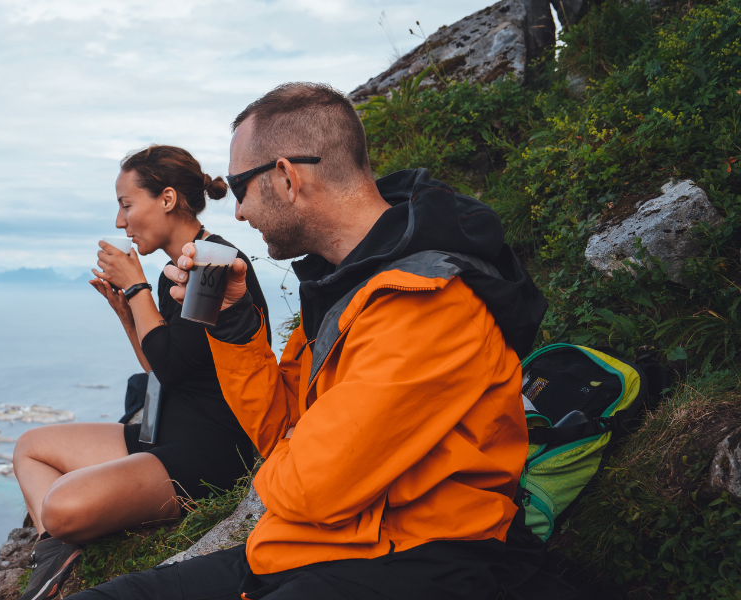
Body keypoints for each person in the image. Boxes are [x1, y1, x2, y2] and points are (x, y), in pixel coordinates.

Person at [69, 84, 549, 600]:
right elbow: (280, 431)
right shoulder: (344, 286)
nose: (236, 213)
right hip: (313, 547)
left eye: (239, 188)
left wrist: (290, 453)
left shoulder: (424, 304)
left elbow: (310, 488)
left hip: (410, 558)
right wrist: (236, 328)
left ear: (286, 177)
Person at [12, 144, 272, 600]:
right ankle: (52, 555)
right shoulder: (178, 266)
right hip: (164, 429)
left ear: (167, 199)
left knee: (60, 507)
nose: (120, 221)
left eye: (126, 205)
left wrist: (135, 287)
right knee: (30, 448)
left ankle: (57, 541)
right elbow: (159, 365)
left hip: (206, 452)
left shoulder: (214, 264)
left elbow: (170, 369)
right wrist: (127, 313)